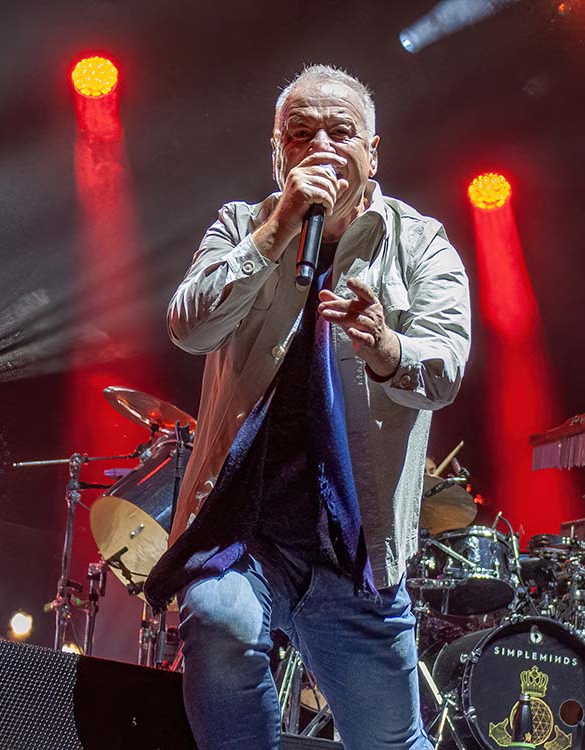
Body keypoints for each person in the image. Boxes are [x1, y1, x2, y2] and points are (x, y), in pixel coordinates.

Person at [144, 65, 471, 750]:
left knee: (391, 742)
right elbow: (188, 326)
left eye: (340, 131)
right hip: (244, 531)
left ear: (373, 153)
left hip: (353, 545)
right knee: (220, 621)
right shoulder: (241, 225)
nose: (320, 145)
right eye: (300, 133)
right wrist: (275, 233)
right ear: (278, 153)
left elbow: (444, 369)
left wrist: (386, 346)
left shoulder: (420, 244)